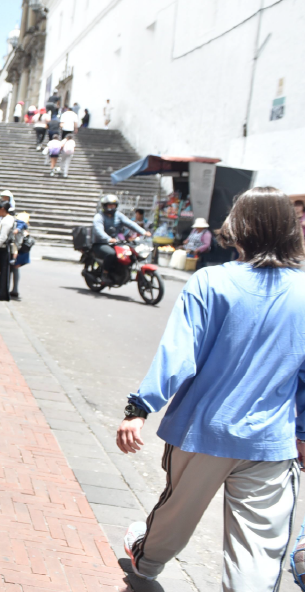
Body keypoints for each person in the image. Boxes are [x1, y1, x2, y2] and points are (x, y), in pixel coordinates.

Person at [116, 187, 305, 591]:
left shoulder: (211, 282)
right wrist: (302, 432)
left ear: (239, 226)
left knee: (176, 514)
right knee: (258, 549)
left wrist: (139, 407)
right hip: (271, 440)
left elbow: (179, 354)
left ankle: (146, 566)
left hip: (202, 432)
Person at [90, 194, 150, 277]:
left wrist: (143, 232)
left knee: (128, 253)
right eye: (110, 205)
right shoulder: (99, 216)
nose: (112, 207)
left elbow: (130, 223)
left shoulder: (118, 215)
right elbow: (98, 230)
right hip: (100, 243)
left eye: (113, 205)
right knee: (111, 254)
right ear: (105, 206)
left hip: (116, 242)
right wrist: (108, 239)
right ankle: (105, 273)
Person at [11, 211, 32, 299]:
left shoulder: (20, 223)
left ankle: (14, 289)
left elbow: (17, 230)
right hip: (22, 249)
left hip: (17, 249)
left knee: (13, 267)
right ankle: (15, 289)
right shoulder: (25, 226)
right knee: (15, 268)